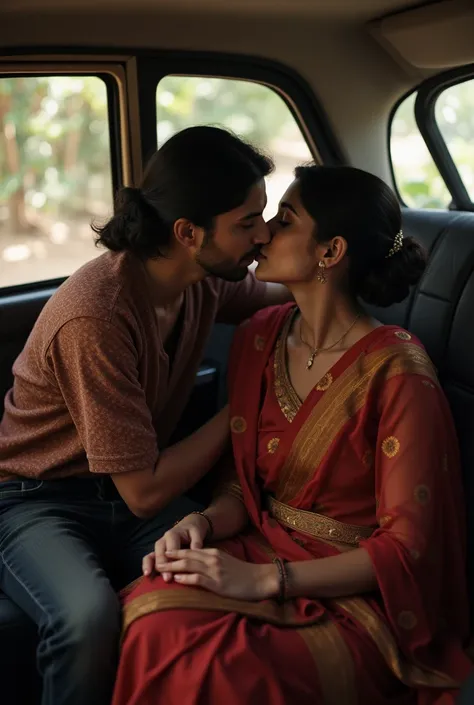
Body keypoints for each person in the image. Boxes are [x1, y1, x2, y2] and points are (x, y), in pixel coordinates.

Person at [113, 165, 472, 705]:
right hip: (261, 547)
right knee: (148, 612)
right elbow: (243, 488)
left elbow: (407, 550)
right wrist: (201, 522)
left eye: (283, 221)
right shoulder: (261, 336)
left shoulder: (398, 373)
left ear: (330, 253)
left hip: (350, 589)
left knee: (221, 669)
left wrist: (265, 582)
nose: (262, 235)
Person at [0, 126, 292, 705]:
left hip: (121, 491)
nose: (261, 236)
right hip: (38, 498)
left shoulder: (202, 280)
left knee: (248, 570)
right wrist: (244, 408)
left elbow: (277, 294)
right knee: (86, 620)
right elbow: (144, 493)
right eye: (246, 223)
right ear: (188, 233)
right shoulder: (97, 319)